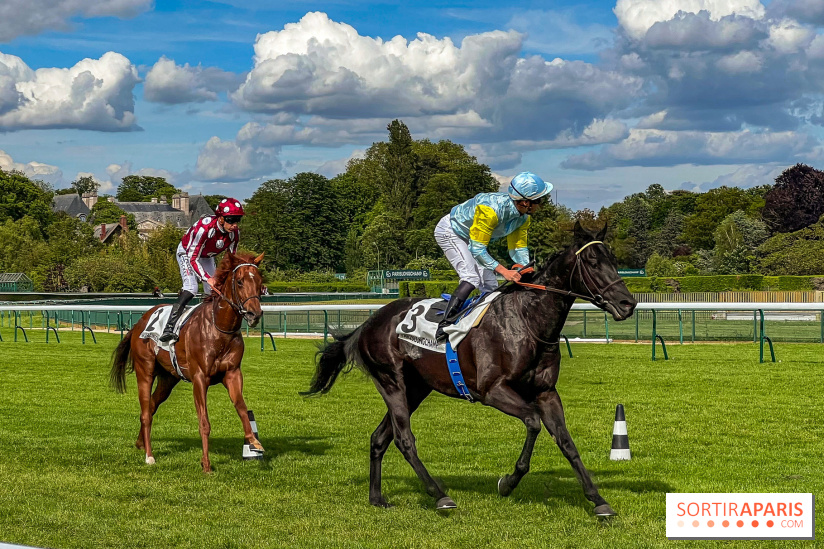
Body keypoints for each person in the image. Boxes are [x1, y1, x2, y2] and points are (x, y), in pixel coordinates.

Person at [433, 172, 552, 341]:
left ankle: (487, 328)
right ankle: (445, 324)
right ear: (526, 202)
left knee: (490, 284)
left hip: (474, 240)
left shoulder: (523, 218)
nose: (541, 204)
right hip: (451, 231)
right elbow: (477, 249)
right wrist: (505, 271)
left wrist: (524, 268)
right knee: (471, 277)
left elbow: (518, 247)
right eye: (539, 200)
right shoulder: (490, 211)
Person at [159, 198, 245, 343]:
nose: (234, 225)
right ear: (221, 218)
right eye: (231, 220)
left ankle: (211, 327)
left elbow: (230, 260)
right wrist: (207, 278)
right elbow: (193, 258)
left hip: (206, 256)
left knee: (213, 290)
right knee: (191, 287)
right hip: (188, 253)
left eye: (238, 220)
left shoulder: (234, 234)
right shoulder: (204, 229)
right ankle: (169, 327)